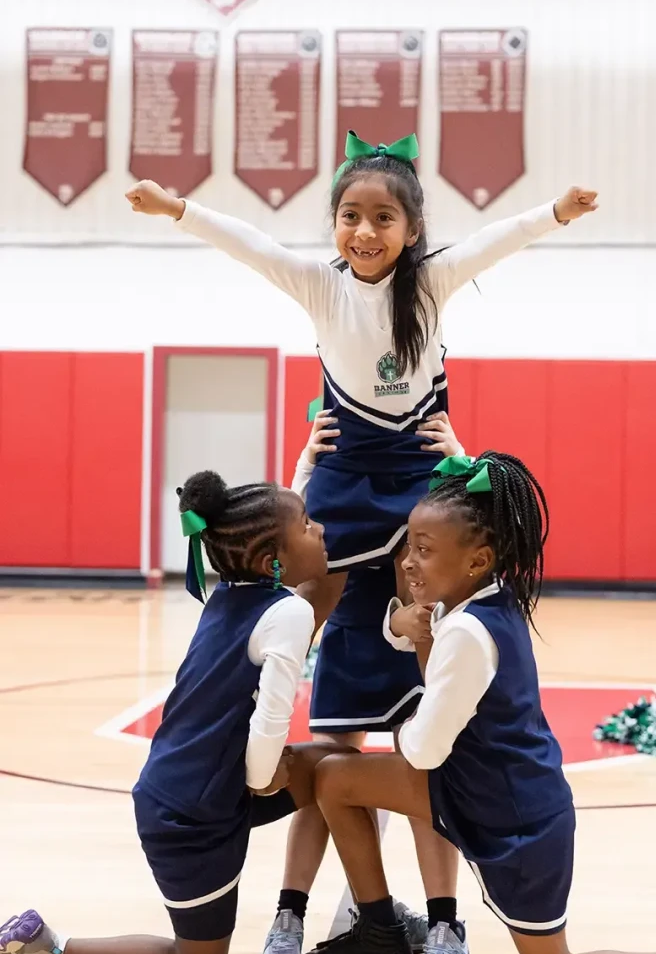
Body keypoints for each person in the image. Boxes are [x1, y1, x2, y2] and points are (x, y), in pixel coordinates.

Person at [125, 133, 598, 637]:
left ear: (413, 230)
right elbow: (251, 245)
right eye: (350, 216)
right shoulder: (321, 286)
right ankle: (261, 699)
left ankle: (422, 713)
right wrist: (175, 208)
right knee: (306, 606)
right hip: (346, 462)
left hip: (416, 464)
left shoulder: (431, 283)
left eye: (383, 218)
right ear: (335, 223)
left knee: (423, 608)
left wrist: (558, 211)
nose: (365, 231)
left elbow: (493, 242)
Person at [300, 453, 656, 954]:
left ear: (478, 560)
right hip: (472, 790)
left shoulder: (470, 632)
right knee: (335, 779)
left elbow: (423, 749)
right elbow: (426, 638)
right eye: (409, 547)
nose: (407, 564)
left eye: (423, 551)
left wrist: (403, 721)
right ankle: (380, 932)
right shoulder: (471, 601)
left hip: (516, 816)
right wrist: (403, 624)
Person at [0, 471, 350, 954]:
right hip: (191, 814)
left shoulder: (235, 595)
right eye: (307, 524)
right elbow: (268, 734)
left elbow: (296, 553)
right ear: (269, 560)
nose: (318, 529)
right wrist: (267, 777)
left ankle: (372, 920)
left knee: (340, 772)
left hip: (198, 788)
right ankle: (48, 949)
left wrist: (312, 464)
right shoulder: (288, 612)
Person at [255, 410, 468, 954]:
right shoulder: (332, 470)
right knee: (327, 776)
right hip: (350, 640)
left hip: (413, 641)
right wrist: (304, 469)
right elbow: (292, 547)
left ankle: (446, 925)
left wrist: (461, 458)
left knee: (425, 779)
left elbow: (483, 523)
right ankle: (288, 916)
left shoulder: (427, 468)